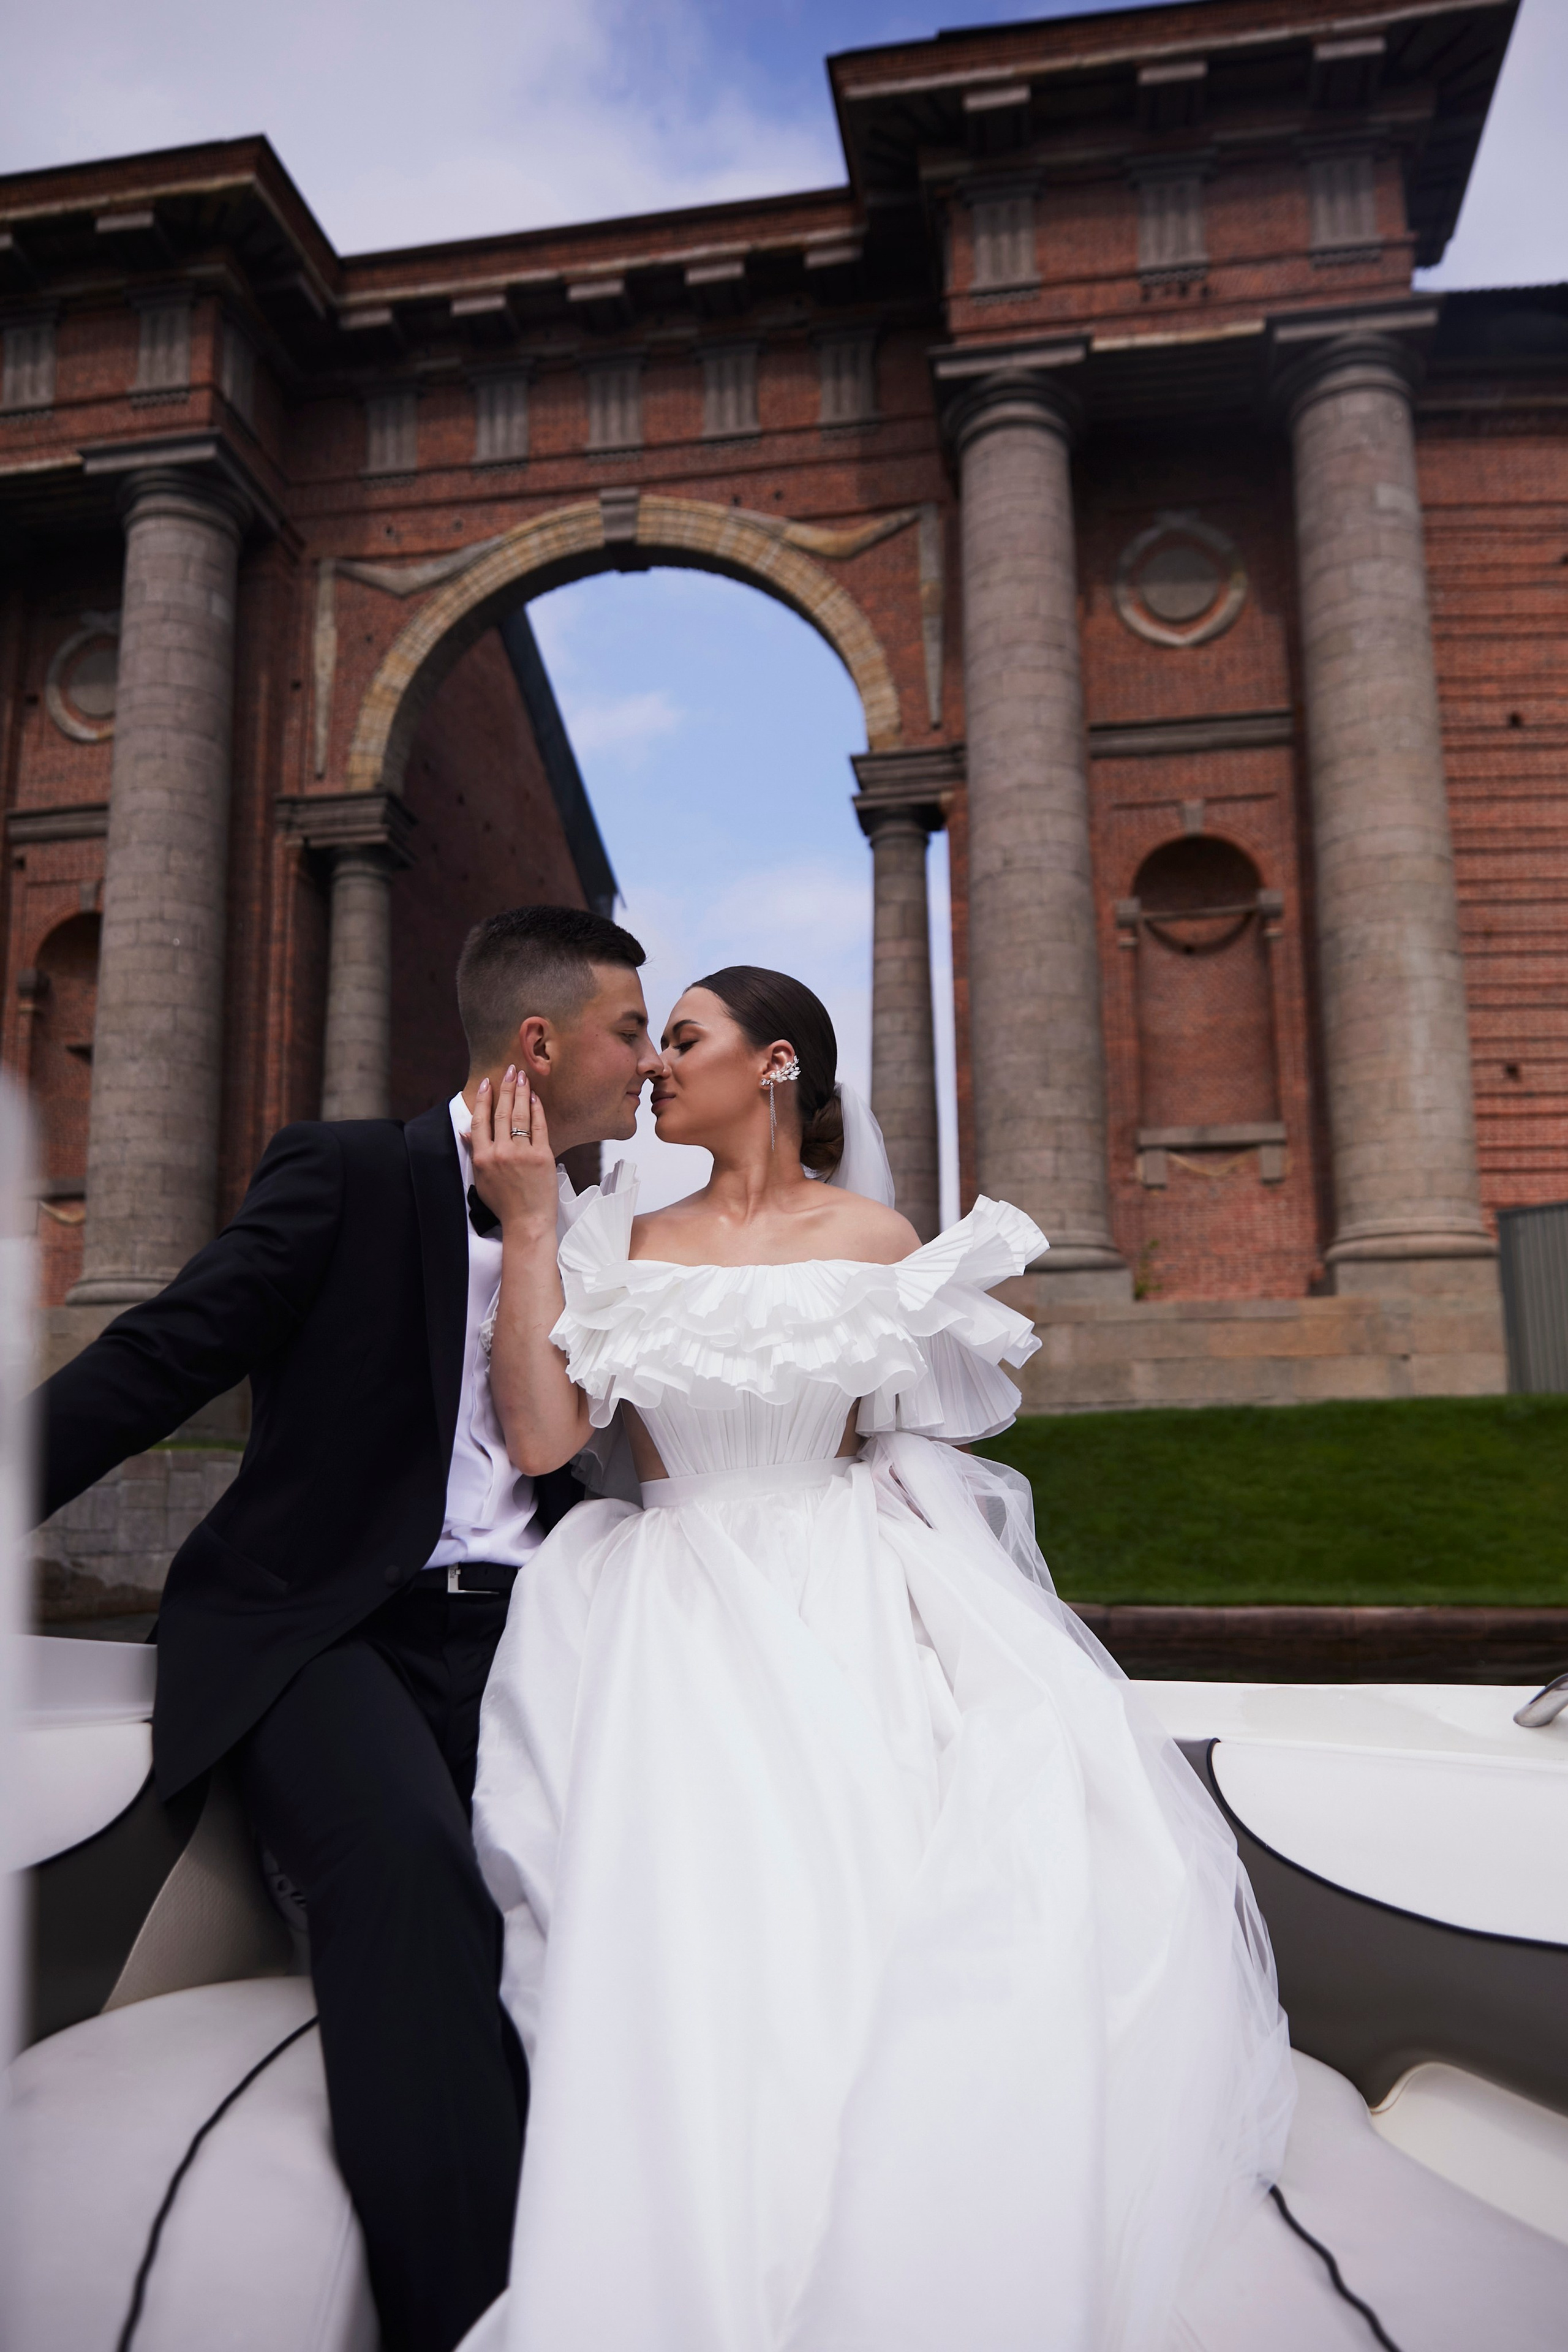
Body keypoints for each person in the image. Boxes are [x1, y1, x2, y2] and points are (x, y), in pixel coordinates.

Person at [457, 965, 1297, 2352]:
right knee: (683, 1950)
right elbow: (547, 1443)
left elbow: (906, 1455)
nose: (655, 1067)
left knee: (864, 1922)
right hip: (667, 1606)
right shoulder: (621, 1236)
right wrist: (535, 1226)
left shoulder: (879, 1239)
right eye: (651, 1040)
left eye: (683, 1040)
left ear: (773, 1064)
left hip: (837, 1593)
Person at [33, 903, 662, 2352]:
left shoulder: (601, 1226)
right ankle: (481, 2323)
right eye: (629, 1033)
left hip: (542, 1629)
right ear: (539, 1041)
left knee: (650, 1894)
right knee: (408, 1875)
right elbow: (162, 1358)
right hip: (333, 1634)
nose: (641, 1063)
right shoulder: (347, 1173)